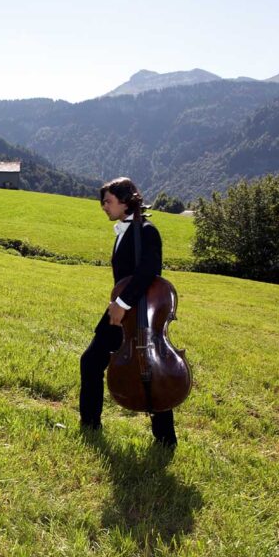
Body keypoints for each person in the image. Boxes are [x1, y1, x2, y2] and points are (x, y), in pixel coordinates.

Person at [79, 177, 177, 446]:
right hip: (122, 310)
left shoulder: (146, 231)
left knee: (149, 369)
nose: (103, 206)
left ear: (126, 201)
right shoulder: (126, 229)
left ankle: (166, 439)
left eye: (108, 201)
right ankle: (89, 425)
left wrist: (121, 306)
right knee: (91, 362)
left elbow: (148, 273)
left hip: (137, 313)